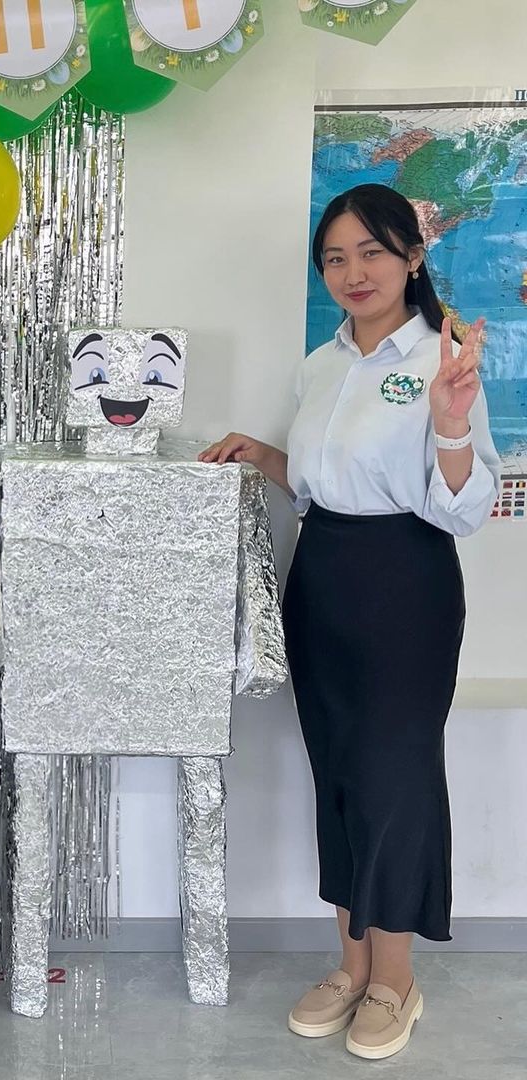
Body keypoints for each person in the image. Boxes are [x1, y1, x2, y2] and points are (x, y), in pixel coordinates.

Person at [200, 184, 500, 1061]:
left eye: (371, 251)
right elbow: (322, 485)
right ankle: (352, 962)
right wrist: (264, 455)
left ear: (413, 257)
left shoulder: (444, 360)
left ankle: (396, 979)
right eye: (335, 257)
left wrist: (450, 426)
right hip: (322, 575)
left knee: (392, 778)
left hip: (407, 580)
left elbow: (463, 507)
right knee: (335, 771)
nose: (352, 271)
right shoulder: (320, 364)